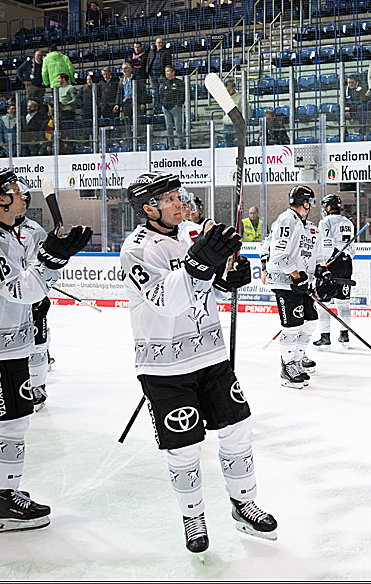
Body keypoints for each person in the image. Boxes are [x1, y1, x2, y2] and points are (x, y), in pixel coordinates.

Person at [119, 172, 273, 554]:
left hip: (210, 354)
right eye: (169, 199)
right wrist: (199, 267)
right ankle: (194, 518)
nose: (179, 203)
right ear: (148, 208)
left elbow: (210, 281)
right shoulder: (137, 249)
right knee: (185, 448)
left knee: (238, 427)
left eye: (179, 196)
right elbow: (167, 300)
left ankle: (244, 502)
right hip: (165, 367)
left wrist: (230, 277)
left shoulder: (191, 232)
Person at [0, 168, 91, 533]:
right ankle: (5, 500)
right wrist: (52, 260)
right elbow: (23, 291)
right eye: (14, 189)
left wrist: (51, 257)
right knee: (12, 423)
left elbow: (29, 284)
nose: (23, 194)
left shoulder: (0, 234)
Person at [262, 185, 330, 388]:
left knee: (310, 321)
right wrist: (295, 274)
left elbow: (316, 256)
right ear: (305, 202)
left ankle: (297, 361)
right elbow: (278, 253)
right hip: (286, 283)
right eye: (310, 202)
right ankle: (287, 366)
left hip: (301, 283)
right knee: (292, 326)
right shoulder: (286, 219)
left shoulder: (308, 227)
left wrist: (321, 271)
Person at [13, 180, 51, 407]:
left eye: (24, 196)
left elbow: (40, 266)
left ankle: (36, 386)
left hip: (30, 297)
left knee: (37, 344)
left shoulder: (33, 231)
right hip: (1, 301)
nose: (23, 200)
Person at [312, 194, 355, 349]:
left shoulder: (326, 222)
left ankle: (325, 337)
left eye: (325, 207)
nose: (324, 210)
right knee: (343, 303)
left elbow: (327, 244)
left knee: (323, 303)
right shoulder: (349, 223)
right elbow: (352, 248)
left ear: (329, 207)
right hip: (347, 264)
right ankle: (344, 335)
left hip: (332, 264)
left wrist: (322, 264)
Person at [158, 65, 185, 150]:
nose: (167, 73)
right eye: (166, 71)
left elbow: (182, 95)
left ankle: (181, 145)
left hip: (175, 108)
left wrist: (178, 104)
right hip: (166, 108)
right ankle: (171, 145)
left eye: (168, 71)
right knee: (169, 128)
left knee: (178, 127)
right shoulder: (164, 84)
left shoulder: (179, 83)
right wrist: (162, 104)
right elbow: (161, 96)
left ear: (173, 72)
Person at [146, 37, 173, 109]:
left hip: (162, 75)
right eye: (159, 43)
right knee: (154, 93)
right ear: (155, 44)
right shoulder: (152, 52)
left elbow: (168, 63)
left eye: (162, 43)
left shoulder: (166, 52)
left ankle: (162, 107)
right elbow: (148, 61)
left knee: (162, 92)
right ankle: (155, 108)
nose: (160, 44)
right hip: (153, 75)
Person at [221, 80, 242, 147]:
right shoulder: (226, 98)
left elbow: (246, 113)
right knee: (228, 146)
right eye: (227, 89)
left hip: (236, 125)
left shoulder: (240, 98)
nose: (228, 91)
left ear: (234, 88)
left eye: (229, 89)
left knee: (236, 145)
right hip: (227, 125)